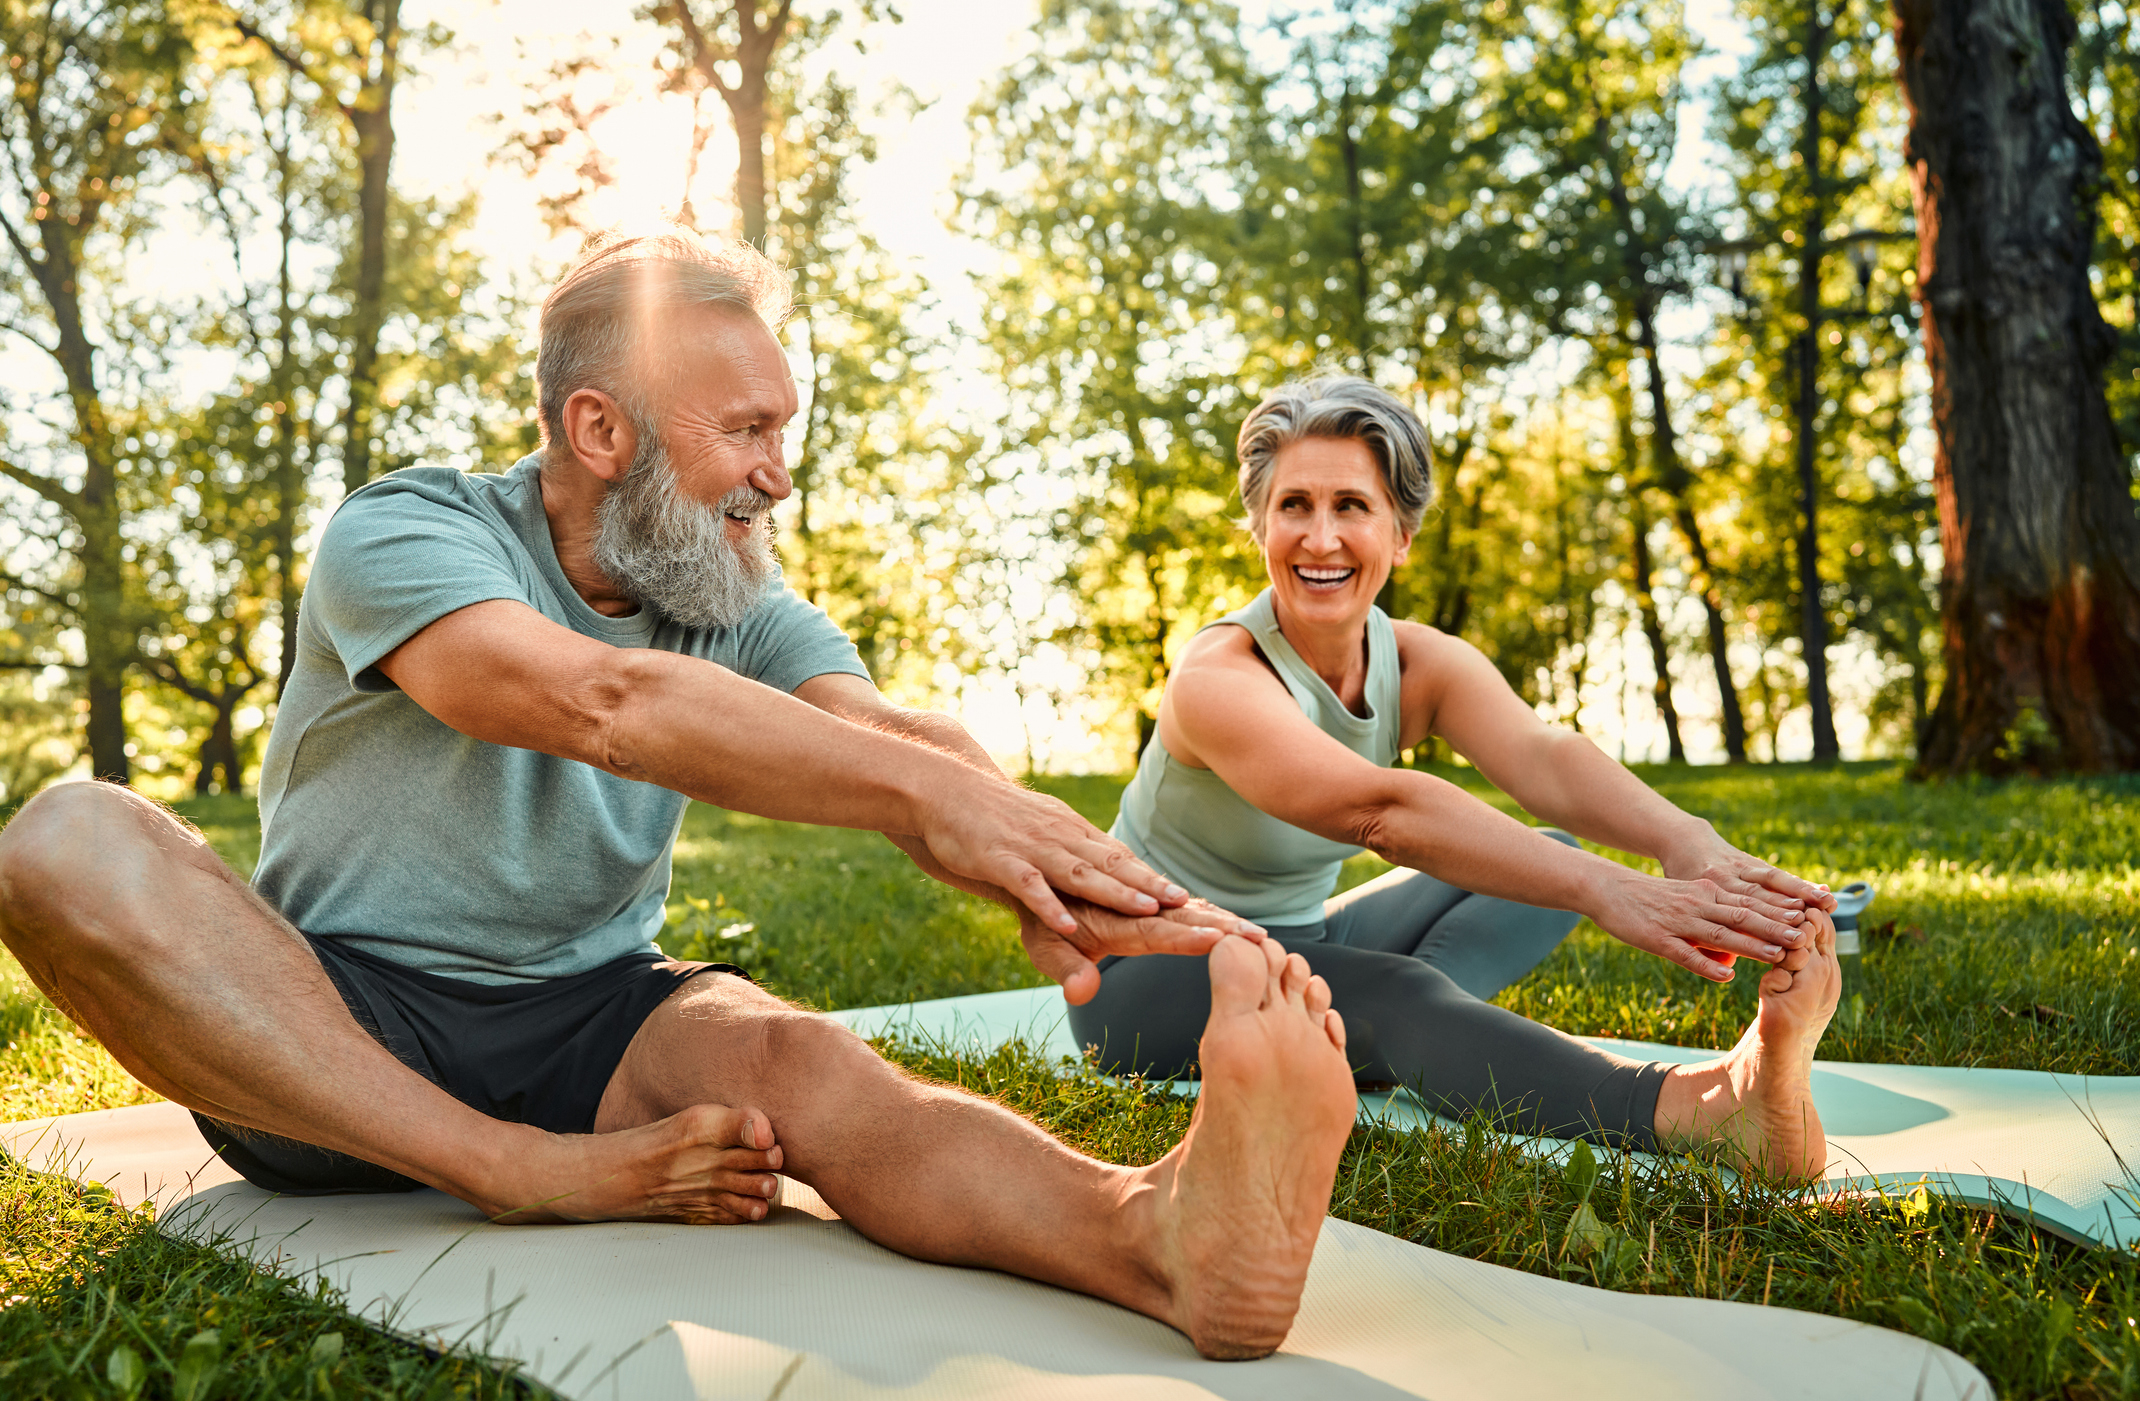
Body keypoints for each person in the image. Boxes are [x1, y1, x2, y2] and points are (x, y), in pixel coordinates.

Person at [0, 232, 1363, 1361]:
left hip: (596, 1014)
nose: (780, 470)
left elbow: (891, 733)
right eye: (749, 429)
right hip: (334, 1022)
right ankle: (510, 1166)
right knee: (63, 836)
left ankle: (1158, 1238)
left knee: (804, 1062)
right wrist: (910, 798)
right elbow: (602, 704)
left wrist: (1053, 860)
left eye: (787, 428)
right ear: (600, 428)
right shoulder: (408, 531)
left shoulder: (730, 588)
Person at [1068, 374, 1844, 1181]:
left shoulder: (1414, 660)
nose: (1320, 537)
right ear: (1260, 527)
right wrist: (1612, 889)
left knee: (1533, 859)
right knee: (1402, 989)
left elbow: (1544, 759)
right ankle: (1707, 1108)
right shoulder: (1219, 676)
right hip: (1141, 977)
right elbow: (1379, 811)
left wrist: (1688, 843)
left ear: (1400, 535)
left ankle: (1377, 1031)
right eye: (1294, 505)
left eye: (1352, 506)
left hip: (1295, 940)